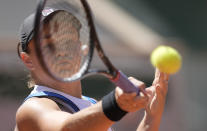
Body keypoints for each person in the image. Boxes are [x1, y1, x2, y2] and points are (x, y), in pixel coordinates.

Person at [15, 6, 169, 131]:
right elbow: (65, 129)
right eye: (48, 45)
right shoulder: (32, 109)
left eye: (67, 41)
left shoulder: (91, 105)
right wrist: (116, 104)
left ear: (82, 49)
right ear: (28, 60)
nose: (61, 50)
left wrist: (151, 117)